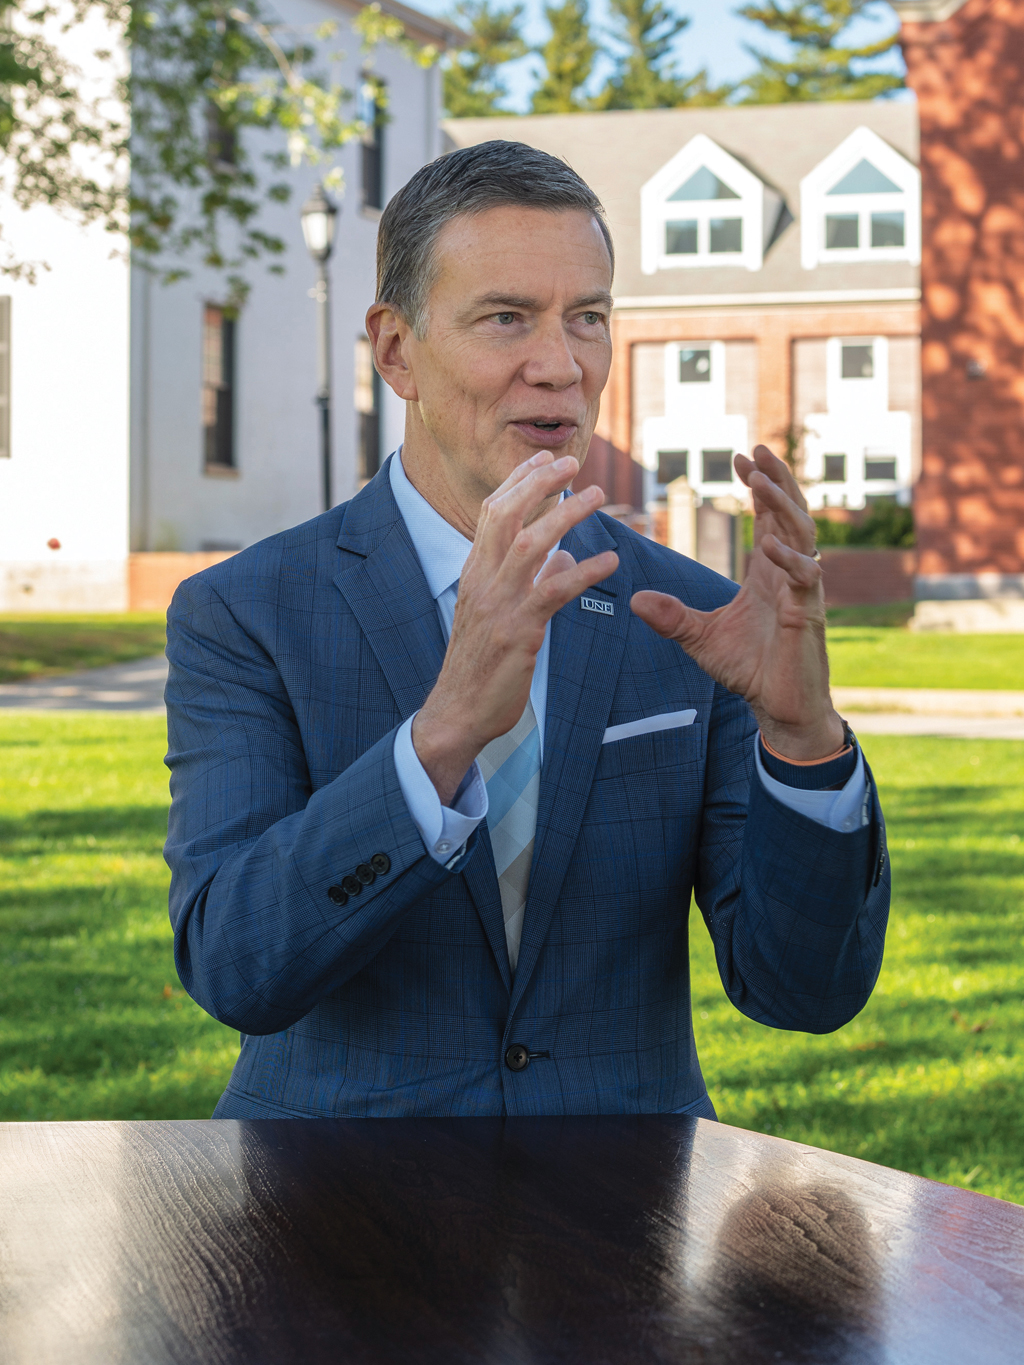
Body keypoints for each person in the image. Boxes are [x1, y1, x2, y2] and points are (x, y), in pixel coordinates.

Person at [165, 141, 890, 1120]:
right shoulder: (247, 612)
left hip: (624, 1212)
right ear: (394, 351)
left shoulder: (694, 620)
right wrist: (442, 737)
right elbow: (235, 965)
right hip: (327, 1207)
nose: (560, 366)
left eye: (585, 319)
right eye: (506, 318)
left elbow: (802, 993)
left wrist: (804, 744)